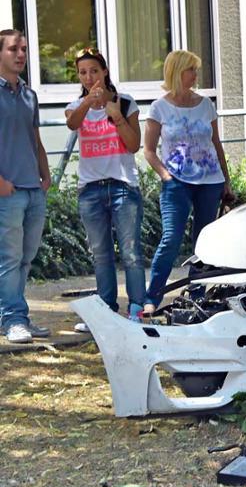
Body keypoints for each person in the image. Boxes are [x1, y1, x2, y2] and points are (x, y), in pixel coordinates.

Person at [143, 50, 232, 315]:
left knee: (203, 242)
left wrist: (226, 181)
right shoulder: (159, 107)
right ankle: (152, 298)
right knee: (171, 238)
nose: (195, 75)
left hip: (210, 181)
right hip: (176, 182)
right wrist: (165, 175)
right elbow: (148, 150)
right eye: (190, 69)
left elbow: (216, 144)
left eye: (195, 69)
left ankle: (197, 296)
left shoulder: (206, 105)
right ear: (176, 71)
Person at [65, 48, 145, 332]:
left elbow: (134, 145)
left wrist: (117, 116)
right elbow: (72, 123)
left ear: (105, 72)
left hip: (123, 186)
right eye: (83, 72)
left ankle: (137, 309)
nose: (89, 77)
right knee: (100, 254)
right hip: (90, 190)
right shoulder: (77, 105)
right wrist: (89, 102)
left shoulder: (126, 103)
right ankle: (106, 310)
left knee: (131, 252)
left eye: (94, 71)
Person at [0, 29, 51, 344]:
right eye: (13, 49)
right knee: (8, 258)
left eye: (24, 50)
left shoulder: (30, 95)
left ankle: (16, 315)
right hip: (8, 192)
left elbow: (36, 141)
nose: (20, 55)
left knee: (25, 258)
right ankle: (13, 319)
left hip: (34, 190)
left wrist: (45, 178)